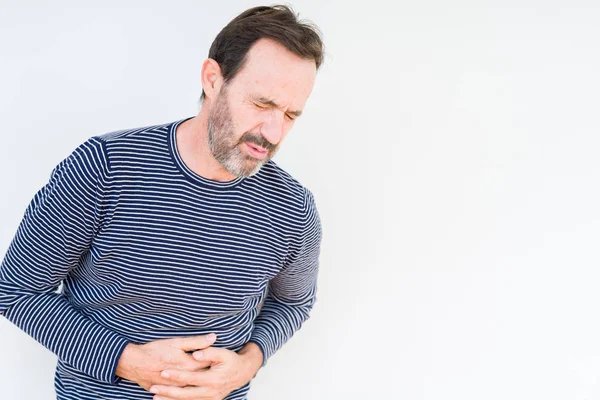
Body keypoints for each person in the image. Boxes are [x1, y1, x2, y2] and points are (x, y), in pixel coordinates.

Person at [0, 5, 324, 400]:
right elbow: (16, 290)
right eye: (261, 104)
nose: (273, 132)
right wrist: (126, 360)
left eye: (291, 114)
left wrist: (247, 364)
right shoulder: (105, 167)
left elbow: (294, 303)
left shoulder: (293, 209)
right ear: (212, 79)